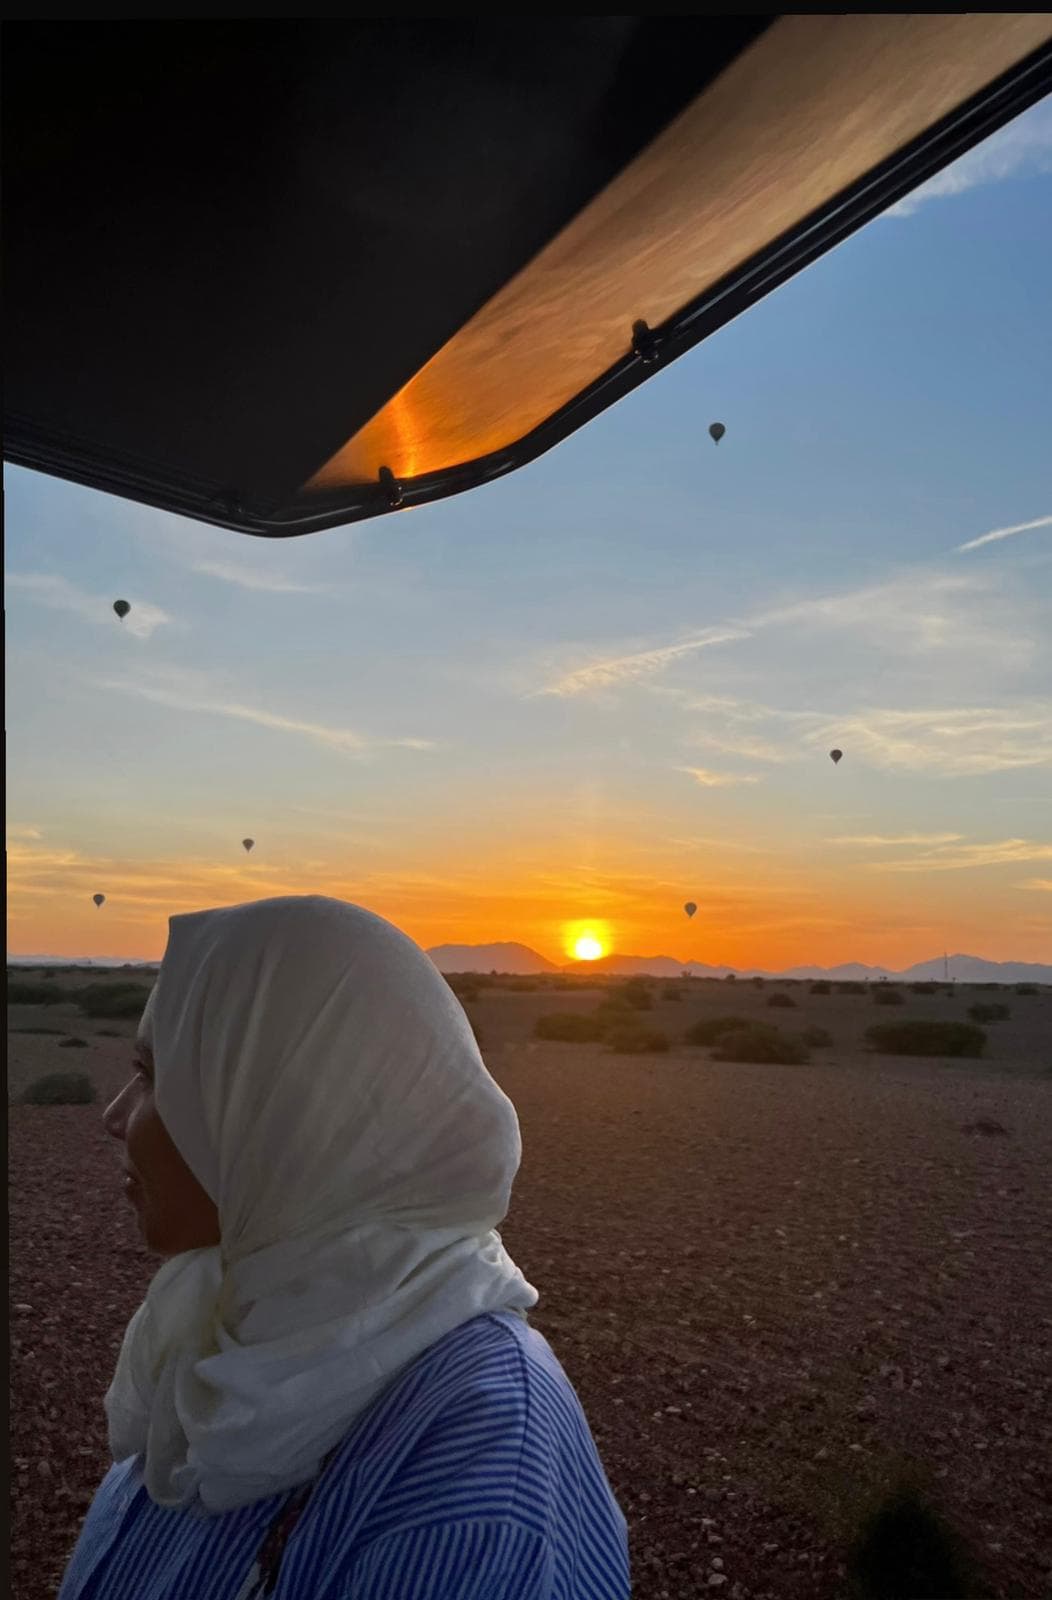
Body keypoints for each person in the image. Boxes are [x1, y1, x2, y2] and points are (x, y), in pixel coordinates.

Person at [59, 896, 629, 1599]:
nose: (114, 1116)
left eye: (153, 1077)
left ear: (284, 1113)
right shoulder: (209, 1314)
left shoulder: (476, 1480)